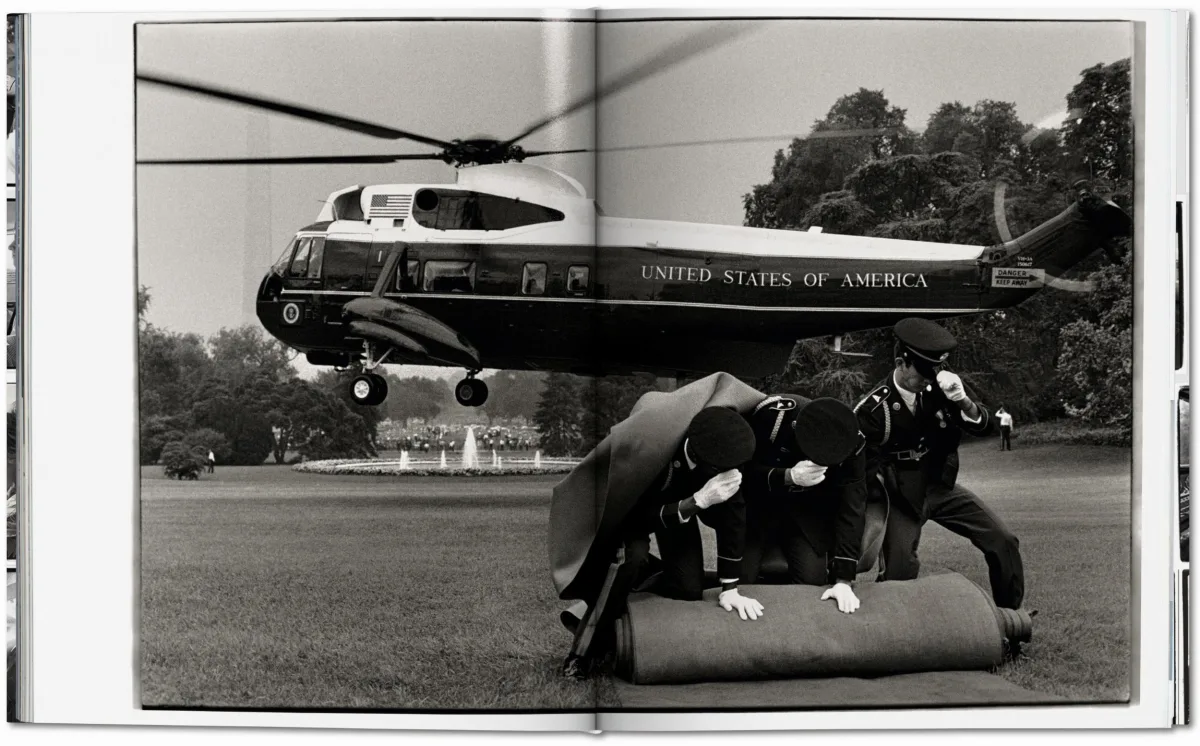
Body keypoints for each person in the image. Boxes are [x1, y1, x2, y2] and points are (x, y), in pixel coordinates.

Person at [559, 405, 763, 676]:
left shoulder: (724, 457)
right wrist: (696, 502)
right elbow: (633, 518)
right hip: (630, 512)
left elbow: (734, 522)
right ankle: (581, 654)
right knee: (630, 558)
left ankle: (637, 578)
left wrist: (730, 589)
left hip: (680, 510)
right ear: (700, 456)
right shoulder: (651, 452)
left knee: (688, 589)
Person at [854, 318, 1024, 611]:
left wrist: (963, 401)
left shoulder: (940, 387)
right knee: (900, 570)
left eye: (932, 374)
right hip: (901, 494)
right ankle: (893, 625)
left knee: (1003, 540)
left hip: (939, 484)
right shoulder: (873, 408)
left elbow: (985, 426)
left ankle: (1011, 617)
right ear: (901, 363)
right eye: (922, 374)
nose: (927, 381)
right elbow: (861, 468)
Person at [740, 395, 869, 614]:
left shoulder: (852, 442)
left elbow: (852, 507)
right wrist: (787, 476)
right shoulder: (774, 418)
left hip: (808, 514)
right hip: (760, 509)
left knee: (813, 584)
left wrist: (844, 580)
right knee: (741, 581)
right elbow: (741, 473)